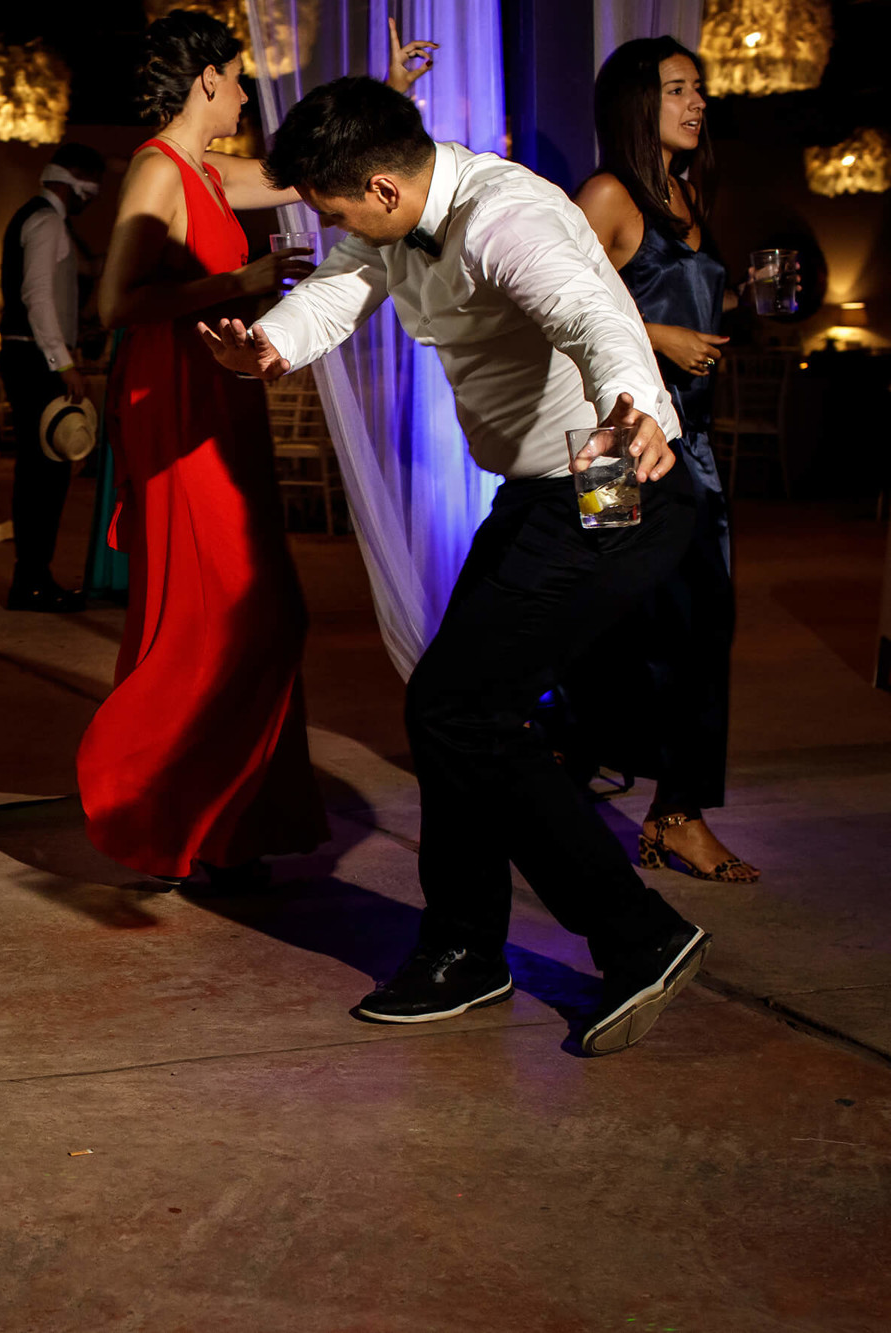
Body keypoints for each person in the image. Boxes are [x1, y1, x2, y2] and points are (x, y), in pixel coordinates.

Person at [202, 75, 712, 1055]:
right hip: (541, 487)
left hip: (615, 469)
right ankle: (464, 949)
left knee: (458, 706)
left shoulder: (507, 215)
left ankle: (636, 934)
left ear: (385, 189)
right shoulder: (395, 223)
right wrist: (266, 347)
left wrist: (632, 401)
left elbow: (586, 311)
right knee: (449, 711)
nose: (331, 222)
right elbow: (338, 287)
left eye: (334, 204)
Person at [73, 11, 327, 887]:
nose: (250, 92)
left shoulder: (209, 172)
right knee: (230, 607)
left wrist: (392, 104)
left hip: (221, 391)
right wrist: (243, 282)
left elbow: (293, 182)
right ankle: (151, 800)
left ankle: (228, 822)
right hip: (176, 403)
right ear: (208, 81)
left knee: (261, 607)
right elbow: (115, 302)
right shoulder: (156, 168)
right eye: (240, 75)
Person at [561, 37, 757, 884]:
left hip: (691, 451)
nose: (698, 102)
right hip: (613, 450)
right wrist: (659, 336)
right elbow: (552, 304)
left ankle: (677, 811)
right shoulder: (609, 194)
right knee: (608, 622)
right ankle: (576, 776)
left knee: (702, 628)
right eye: (679, 89)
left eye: (699, 89)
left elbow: (677, 295)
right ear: (639, 102)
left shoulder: (687, 194)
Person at [0, 142, 106, 613]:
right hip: (36, 361)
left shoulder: (48, 220)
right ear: (73, 180)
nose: (94, 196)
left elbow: (77, 276)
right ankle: (31, 582)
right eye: (93, 186)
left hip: (33, 358)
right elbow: (37, 296)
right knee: (44, 473)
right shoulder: (45, 221)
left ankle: (34, 577)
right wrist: (64, 363)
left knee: (45, 472)